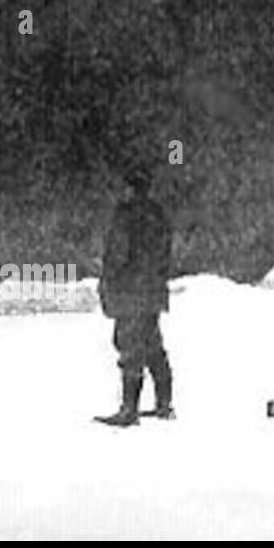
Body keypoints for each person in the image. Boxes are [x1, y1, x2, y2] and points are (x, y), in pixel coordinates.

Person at [96, 165, 174, 426]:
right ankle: (164, 404)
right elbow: (165, 252)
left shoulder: (126, 215)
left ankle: (129, 410)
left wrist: (109, 278)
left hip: (131, 291)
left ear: (130, 188)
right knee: (152, 346)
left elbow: (119, 253)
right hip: (152, 291)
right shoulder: (158, 214)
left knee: (129, 346)